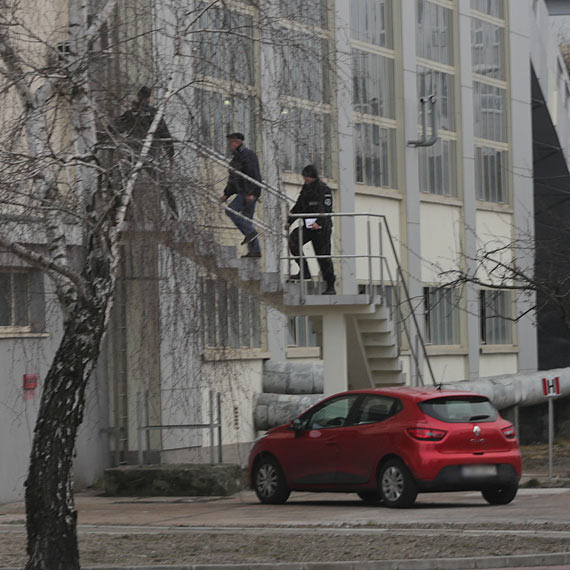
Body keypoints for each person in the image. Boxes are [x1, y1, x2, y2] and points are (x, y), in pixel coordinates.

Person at [115, 86, 178, 219]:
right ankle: (174, 213)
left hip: (133, 154)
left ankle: (125, 214)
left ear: (138, 97)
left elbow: (115, 128)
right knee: (162, 183)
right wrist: (170, 154)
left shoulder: (130, 114)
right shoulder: (155, 114)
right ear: (149, 98)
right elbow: (165, 135)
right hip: (151, 155)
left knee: (127, 184)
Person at [285, 164, 336, 295]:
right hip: (308, 225)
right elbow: (299, 205)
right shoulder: (306, 189)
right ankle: (304, 270)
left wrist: (318, 223)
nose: (305, 179)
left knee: (323, 257)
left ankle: (330, 286)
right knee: (294, 240)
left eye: (307, 177)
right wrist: (289, 221)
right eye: (304, 177)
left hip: (321, 227)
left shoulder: (324, 189)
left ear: (312, 176)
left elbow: (326, 209)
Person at [220, 132, 262, 258]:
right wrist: (226, 194)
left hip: (248, 192)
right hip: (243, 192)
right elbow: (233, 180)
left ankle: (250, 233)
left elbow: (252, 175)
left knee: (231, 211)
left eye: (231, 142)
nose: (229, 145)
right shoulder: (235, 159)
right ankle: (255, 251)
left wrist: (251, 194)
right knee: (247, 221)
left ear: (238, 142)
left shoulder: (248, 155)